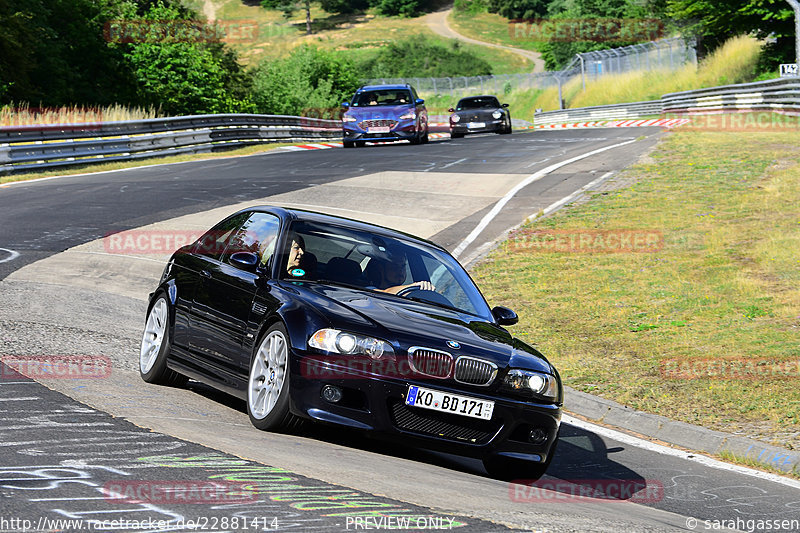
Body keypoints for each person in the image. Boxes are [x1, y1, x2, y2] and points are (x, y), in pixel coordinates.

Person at [366, 256, 434, 295]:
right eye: (394, 267)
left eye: (402, 266)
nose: (400, 270)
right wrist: (413, 286)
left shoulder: (409, 293)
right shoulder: (369, 290)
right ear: (381, 269)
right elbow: (386, 293)